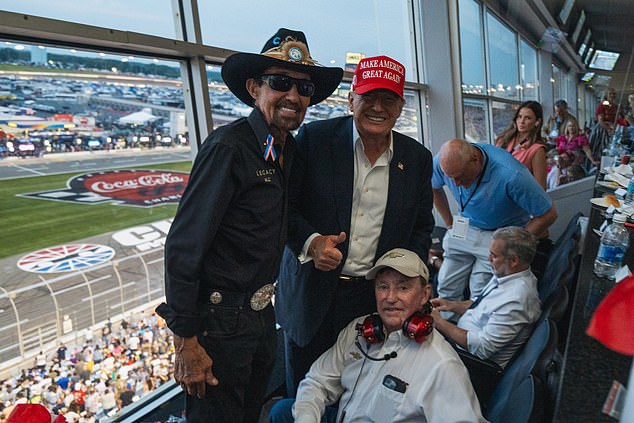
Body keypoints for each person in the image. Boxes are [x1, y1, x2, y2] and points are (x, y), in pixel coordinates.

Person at [155, 28, 343, 423]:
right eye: (280, 83)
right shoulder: (229, 147)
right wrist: (186, 340)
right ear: (255, 88)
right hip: (217, 324)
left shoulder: (284, 149)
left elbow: (281, 217)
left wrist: (310, 243)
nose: (294, 96)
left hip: (259, 316)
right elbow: (183, 247)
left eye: (304, 87)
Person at [276, 55, 435, 396]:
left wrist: (409, 281)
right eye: (368, 97)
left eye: (388, 99)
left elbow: (421, 228)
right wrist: (311, 243)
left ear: (401, 106)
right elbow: (282, 208)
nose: (378, 107)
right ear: (351, 99)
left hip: (372, 299)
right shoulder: (313, 140)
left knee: (361, 393)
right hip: (311, 296)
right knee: (304, 394)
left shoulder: (418, 158)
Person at [270, 248, 486, 423]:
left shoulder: (442, 365)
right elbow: (316, 382)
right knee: (284, 410)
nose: (391, 297)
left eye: (403, 287)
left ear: (424, 295)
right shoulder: (360, 330)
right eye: (383, 287)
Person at [432, 139, 557, 317]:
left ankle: (468, 334)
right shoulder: (444, 162)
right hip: (465, 225)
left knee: (480, 291)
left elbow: (549, 213)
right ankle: (447, 330)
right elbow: (433, 186)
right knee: (446, 283)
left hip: (498, 235)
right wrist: (450, 223)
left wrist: (511, 245)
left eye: (460, 176)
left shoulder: (512, 175)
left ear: (475, 159)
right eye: (451, 178)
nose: (457, 183)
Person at [431, 226, 541, 368]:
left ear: (514, 261)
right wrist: (451, 305)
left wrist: (439, 322)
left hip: (471, 363)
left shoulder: (517, 300)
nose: (489, 259)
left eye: (494, 256)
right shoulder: (507, 274)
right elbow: (480, 305)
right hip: (462, 344)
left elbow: (482, 349)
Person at [495, 100, 548, 189]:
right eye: (519, 117)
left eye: (527, 118)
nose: (521, 121)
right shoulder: (503, 140)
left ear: (537, 122)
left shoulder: (537, 150)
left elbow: (541, 188)